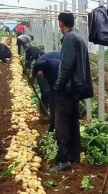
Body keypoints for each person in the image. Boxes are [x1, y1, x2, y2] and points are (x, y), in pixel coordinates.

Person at [50, 12, 93, 172]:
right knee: (73, 121)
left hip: (68, 88)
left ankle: (63, 158)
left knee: (62, 123)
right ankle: (74, 155)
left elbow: (66, 66)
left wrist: (58, 86)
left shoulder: (68, 38)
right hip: (77, 87)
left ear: (61, 24)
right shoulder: (79, 37)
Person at [32, 51, 60, 132]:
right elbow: (37, 64)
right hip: (42, 71)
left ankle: (54, 119)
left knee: (54, 95)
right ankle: (44, 114)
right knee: (46, 92)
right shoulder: (53, 62)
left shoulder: (68, 64)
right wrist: (32, 78)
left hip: (52, 72)